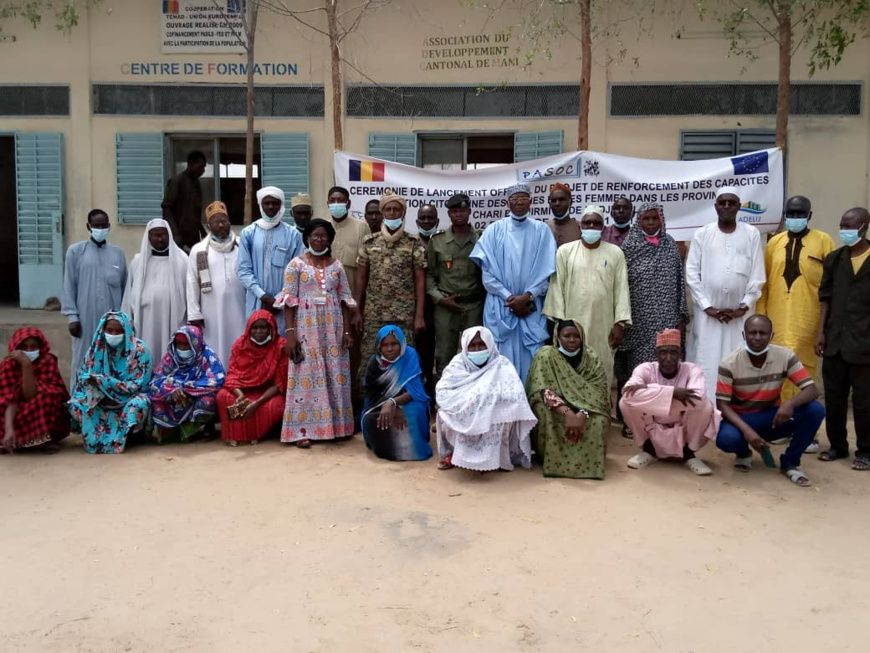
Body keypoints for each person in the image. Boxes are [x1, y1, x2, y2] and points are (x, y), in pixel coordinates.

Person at [716, 315, 824, 487]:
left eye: (762, 333)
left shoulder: (785, 356)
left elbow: (812, 390)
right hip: (742, 419)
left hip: (772, 418)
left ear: (771, 336)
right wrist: (747, 432)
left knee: (815, 410)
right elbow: (722, 405)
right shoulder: (729, 363)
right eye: (752, 333)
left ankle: (790, 462)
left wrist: (789, 404)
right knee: (727, 439)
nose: (757, 337)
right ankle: (743, 453)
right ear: (744, 335)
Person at [279, 219, 357, 448]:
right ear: (307, 238)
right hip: (306, 328)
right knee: (305, 376)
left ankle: (337, 427)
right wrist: (290, 334)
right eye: (315, 236)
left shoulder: (338, 266)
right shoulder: (295, 265)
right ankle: (302, 431)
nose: (319, 239)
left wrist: (346, 330)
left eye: (324, 236)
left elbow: (345, 300)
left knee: (334, 374)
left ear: (330, 239)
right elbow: (288, 302)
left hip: (333, 329)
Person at [470, 183, 556, 382]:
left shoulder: (542, 231)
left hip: (531, 307)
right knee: (501, 361)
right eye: (515, 199)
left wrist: (528, 297)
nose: (519, 202)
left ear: (531, 202)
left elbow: (548, 272)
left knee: (532, 361)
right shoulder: (493, 230)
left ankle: (532, 406)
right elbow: (487, 274)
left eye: (523, 198)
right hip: (502, 306)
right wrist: (509, 297)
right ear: (507, 202)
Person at [686, 187, 766, 399]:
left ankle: (737, 411)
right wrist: (708, 307)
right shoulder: (702, 234)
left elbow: (757, 275)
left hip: (740, 317)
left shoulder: (751, 234)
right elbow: (692, 273)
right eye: (723, 203)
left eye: (732, 203)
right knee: (707, 363)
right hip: (708, 317)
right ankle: (706, 411)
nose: (727, 207)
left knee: (739, 361)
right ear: (716, 207)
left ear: (739, 206)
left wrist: (743, 307)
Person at [615, 203, 688, 435]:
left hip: (666, 319)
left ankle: (662, 418)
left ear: (661, 220)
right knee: (638, 371)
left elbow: (679, 282)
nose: (650, 223)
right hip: (638, 322)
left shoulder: (670, 246)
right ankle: (634, 420)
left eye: (654, 219)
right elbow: (621, 285)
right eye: (645, 219)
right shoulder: (629, 247)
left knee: (664, 369)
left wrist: (681, 316)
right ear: (639, 222)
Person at [757, 195, 834, 405]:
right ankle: (779, 426)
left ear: (809, 215)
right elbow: (764, 285)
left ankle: (804, 428)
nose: (795, 217)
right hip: (777, 320)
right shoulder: (774, 243)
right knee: (776, 370)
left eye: (800, 214)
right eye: (791, 213)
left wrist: (824, 328)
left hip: (808, 321)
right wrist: (762, 317)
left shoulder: (824, 241)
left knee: (804, 372)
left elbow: (831, 286)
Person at [543, 204, 631, 386]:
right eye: (587, 223)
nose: (591, 227)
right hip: (572, 325)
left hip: (603, 325)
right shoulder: (565, 252)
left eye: (596, 223)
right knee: (571, 369)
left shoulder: (615, 253)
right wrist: (560, 324)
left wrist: (620, 323)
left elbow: (621, 289)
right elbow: (556, 288)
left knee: (601, 368)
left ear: (603, 227)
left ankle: (600, 412)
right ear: (580, 226)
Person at [434, 327, 535, 472]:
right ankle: (454, 454)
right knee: (444, 414)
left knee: (503, 414)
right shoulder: (457, 364)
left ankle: (497, 459)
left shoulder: (502, 364)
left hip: (493, 415)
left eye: (481, 345)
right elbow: (443, 393)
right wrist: (473, 401)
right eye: (472, 346)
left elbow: (516, 395)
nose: (477, 350)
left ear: (490, 345)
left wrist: (489, 401)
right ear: (465, 348)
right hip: (464, 412)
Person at [620, 329, 718, 475]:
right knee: (624, 403)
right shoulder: (645, 368)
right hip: (652, 422)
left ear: (680, 354)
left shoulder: (692, 370)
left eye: (673, 352)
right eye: (663, 352)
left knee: (705, 406)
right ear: (656, 354)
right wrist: (674, 392)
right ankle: (649, 449)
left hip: (682, 423)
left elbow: (698, 398)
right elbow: (628, 393)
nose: (668, 357)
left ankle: (688, 453)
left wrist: (649, 394)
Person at [816, 206, 870, 470]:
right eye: (842, 224)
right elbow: (825, 298)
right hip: (835, 340)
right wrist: (821, 332)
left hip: (864, 343)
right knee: (834, 398)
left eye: (850, 226)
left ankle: (866, 451)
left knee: (864, 401)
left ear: (864, 226)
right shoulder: (835, 259)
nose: (845, 230)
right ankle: (837, 445)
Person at [354, 190, 427, 378]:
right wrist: (357, 311)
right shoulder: (369, 242)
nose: (393, 213)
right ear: (382, 212)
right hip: (374, 314)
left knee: (405, 358)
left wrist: (419, 316)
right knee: (370, 359)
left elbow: (420, 281)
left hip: (404, 314)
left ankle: (402, 402)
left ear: (402, 213)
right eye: (388, 209)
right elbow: (361, 279)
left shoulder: (413, 242)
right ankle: (369, 403)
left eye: (396, 209)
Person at [526, 320, 611, 479]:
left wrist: (582, 414)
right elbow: (542, 389)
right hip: (557, 407)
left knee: (599, 420)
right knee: (542, 411)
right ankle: (549, 460)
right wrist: (567, 413)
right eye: (567, 336)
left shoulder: (591, 357)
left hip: (587, 408)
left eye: (576, 336)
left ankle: (590, 466)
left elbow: (599, 393)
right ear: (558, 337)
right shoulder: (546, 355)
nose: (572, 340)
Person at [69, 311, 153, 454]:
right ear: (102, 330)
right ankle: (96, 441)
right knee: (75, 404)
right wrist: (96, 387)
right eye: (109, 330)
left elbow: (140, 384)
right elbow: (84, 377)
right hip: (100, 400)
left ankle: (129, 437)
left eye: (119, 331)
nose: (113, 334)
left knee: (139, 404)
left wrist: (106, 382)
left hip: (127, 399)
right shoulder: (95, 349)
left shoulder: (139, 350)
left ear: (127, 330)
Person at [61, 209, 127, 380]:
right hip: (85, 316)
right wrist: (72, 317)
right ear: (88, 226)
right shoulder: (75, 252)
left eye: (103, 225)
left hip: (112, 319)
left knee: (112, 358)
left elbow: (125, 286)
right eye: (96, 225)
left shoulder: (117, 253)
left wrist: (125, 319)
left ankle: (110, 400)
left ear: (109, 226)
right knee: (83, 357)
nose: (100, 228)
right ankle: (79, 400)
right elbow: (69, 285)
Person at [426, 193, 484, 378]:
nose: (459, 214)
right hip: (446, 307)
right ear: (449, 214)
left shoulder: (481, 239)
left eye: (463, 210)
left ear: (469, 212)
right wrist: (440, 299)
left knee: (476, 352)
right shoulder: (437, 240)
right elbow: (429, 275)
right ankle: (444, 398)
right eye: (455, 211)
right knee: (444, 356)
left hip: (474, 305)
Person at [186, 201, 246, 367]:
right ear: (208, 225)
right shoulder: (199, 250)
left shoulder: (242, 245)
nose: (221, 225)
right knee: (214, 347)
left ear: (229, 222)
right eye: (215, 222)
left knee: (240, 343)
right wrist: (194, 314)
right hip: (210, 312)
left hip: (240, 307)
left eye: (224, 221)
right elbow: (191, 283)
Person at [237, 186, 305, 332]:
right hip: (256, 301)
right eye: (266, 203)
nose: (271, 206)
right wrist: (263, 296)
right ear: (260, 205)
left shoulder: (293, 235)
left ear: (281, 205)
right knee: (257, 345)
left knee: (282, 345)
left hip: (284, 304)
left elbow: (297, 270)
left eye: (275, 203)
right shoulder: (249, 233)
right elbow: (243, 270)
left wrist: (278, 300)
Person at [216, 310, 288, 446]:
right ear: (249, 328)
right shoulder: (240, 345)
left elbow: (280, 383)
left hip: (267, 393)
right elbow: (232, 376)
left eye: (263, 328)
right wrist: (240, 396)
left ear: (271, 328)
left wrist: (257, 403)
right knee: (222, 396)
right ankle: (235, 435)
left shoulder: (280, 346)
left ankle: (256, 434)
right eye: (255, 328)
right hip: (243, 391)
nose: (258, 332)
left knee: (277, 405)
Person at [361, 325, 432, 461]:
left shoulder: (410, 356)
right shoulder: (374, 364)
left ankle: (412, 447)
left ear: (402, 343)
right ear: (379, 346)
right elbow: (372, 398)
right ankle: (393, 450)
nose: (389, 349)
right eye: (385, 345)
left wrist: (394, 404)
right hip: (379, 407)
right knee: (373, 420)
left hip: (409, 402)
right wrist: (388, 407)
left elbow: (416, 392)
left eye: (394, 344)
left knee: (414, 412)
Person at [122, 218, 189, 358]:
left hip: (173, 319)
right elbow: (129, 295)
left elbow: (189, 293)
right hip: (146, 320)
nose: (160, 239)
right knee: (147, 355)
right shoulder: (138, 262)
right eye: (156, 235)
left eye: (163, 235)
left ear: (169, 235)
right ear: (149, 237)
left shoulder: (182, 260)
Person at [149, 325, 225, 443]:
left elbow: (217, 380)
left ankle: (189, 429)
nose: (182, 349)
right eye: (179, 344)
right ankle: (169, 429)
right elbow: (156, 381)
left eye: (186, 345)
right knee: (154, 400)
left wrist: (186, 389)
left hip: (196, 398)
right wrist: (172, 390)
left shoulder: (207, 356)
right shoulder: (171, 357)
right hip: (175, 398)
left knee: (208, 402)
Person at [0, 327, 70, 454]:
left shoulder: (47, 361)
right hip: (14, 412)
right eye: (24, 347)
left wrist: (26, 365)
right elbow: (9, 399)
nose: (29, 350)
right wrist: (9, 428)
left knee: (50, 397)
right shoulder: (9, 364)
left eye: (33, 347)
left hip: (39, 410)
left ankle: (44, 441)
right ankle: (11, 439)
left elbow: (30, 394)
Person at [326, 186, 369, 299]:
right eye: (332, 200)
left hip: (352, 291)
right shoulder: (323, 227)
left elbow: (365, 264)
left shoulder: (361, 227)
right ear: (328, 204)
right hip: (328, 292)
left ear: (348, 203)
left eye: (340, 200)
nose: (336, 203)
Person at [415, 203, 440, 396]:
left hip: (441, 308)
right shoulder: (411, 242)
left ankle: (437, 397)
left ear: (437, 221)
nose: (426, 221)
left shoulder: (442, 241)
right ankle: (423, 397)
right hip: (418, 309)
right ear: (416, 221)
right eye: (423, 218)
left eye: (430, 218)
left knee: (439, 356)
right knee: (421, 355)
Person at [162, 150, 207, 251]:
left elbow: (195, 214)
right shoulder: (176, 181)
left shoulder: (197, 184)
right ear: (191, 164)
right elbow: (166, 208)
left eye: (204, 167)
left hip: (193, 238)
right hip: (179, 239)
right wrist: (175, 234)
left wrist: (204, 233)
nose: (203, 170)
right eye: (201, 166)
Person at [546, 182, 580, 247]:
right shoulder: (544, 228)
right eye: (553, 200)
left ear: (570, 202)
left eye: (561, 199)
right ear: (550, 204)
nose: (557, 203)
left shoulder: (580, 228)